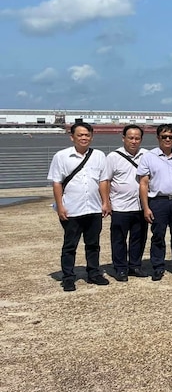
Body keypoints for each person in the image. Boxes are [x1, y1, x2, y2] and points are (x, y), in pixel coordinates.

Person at [48, 122, 110, 291]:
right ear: (72, 137)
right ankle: (68, 277)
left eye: (87, 135)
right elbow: (57, 183)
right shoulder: (61, 156)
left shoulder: (98, 155)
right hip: (72, 209)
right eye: (80, 135)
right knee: (70, 245)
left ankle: (94, 273)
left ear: (92, 137)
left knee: (93, 243)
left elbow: (103, 180)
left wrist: (105, 202)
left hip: (93, 208)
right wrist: (60, 206)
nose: (84, 138)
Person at [138, 124, 172, 281]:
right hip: (158, 201)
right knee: (158, 235)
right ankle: (158, 266)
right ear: (158, 138)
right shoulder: (149, 157)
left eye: (171, 137)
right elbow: (143, 183)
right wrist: (146, 207)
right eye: (164, 136)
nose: (168, 139)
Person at [102, 124, 148, 282]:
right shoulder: (113, 157)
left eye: (137, 138)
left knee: (139, 237)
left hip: (141, 205)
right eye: (130, 138)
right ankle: (120, 268)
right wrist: (106, 202)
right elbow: (106, 181)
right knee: (119, 238)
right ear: (123, 138)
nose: (134, 141)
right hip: (120, 205)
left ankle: (135, 265)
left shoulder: (146, 155)